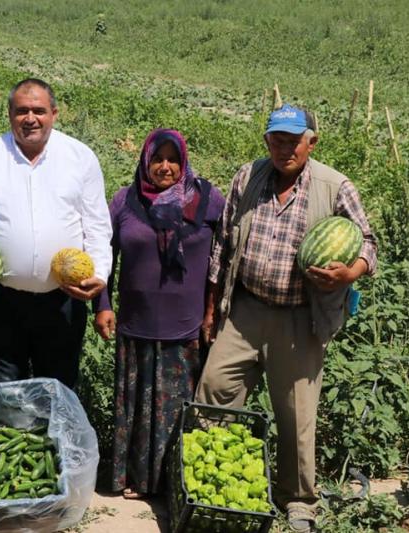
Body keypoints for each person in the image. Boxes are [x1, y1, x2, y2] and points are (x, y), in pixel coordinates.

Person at [195, 105, 377, 532]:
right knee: (214, 390)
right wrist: (212, 309)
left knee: (296, 414)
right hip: (245, 312)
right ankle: (208, 482)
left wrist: (350, 273)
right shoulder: (247, 177)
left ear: (311, 142)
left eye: (294, 140)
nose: (284, 148)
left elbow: (367, 241)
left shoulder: (334, 187)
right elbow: (223, 244)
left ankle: (298, 501)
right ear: (267, 142)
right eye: (277, 139)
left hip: (300, 317)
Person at [0, 78, 112, 389]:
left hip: (63, 299)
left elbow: (97, 226)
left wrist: (98, 273)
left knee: (58, 390)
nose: (30, 118)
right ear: (9, 114)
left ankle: (52, 440)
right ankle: (8, 438)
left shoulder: (80, 158)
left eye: (38, 110)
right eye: (21, 111)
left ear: (54, 114)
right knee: (3, 390)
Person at [94, 129, 225, 498]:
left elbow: (225, 255)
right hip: (135, 326)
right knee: (136, 408)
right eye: (157, 158)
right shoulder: (125, 201)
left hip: (186, 329)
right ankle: (135, 478)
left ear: (183, 162)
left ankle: (171, 482)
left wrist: (214, 309)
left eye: (172, 159)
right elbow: (103, 256)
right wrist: (102, 305)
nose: (164, 167)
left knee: (175, 410)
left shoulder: (208, 199)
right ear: (145, 160)